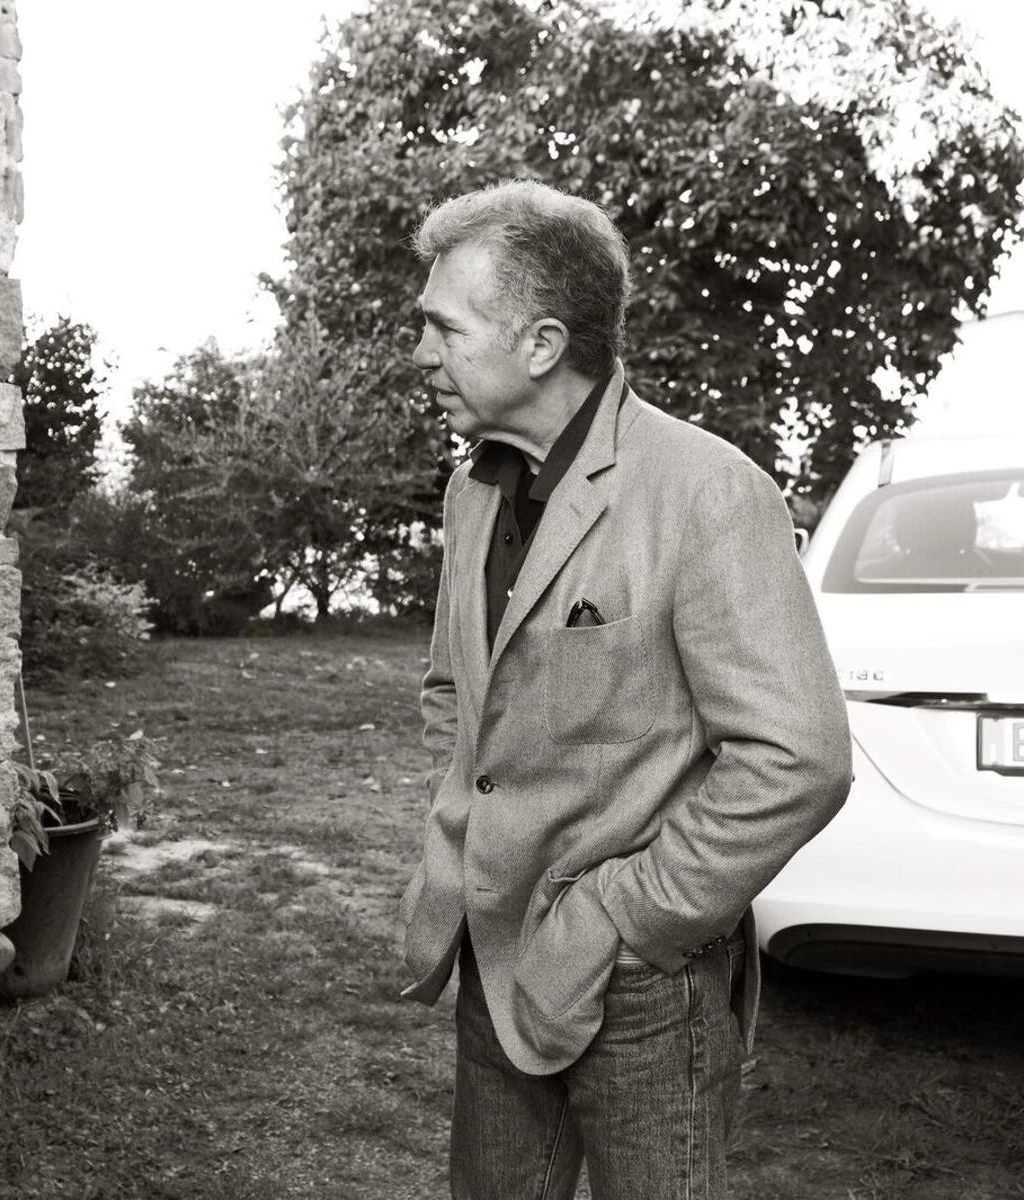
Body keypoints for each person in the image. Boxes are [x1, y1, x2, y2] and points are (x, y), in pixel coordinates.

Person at [397, 180, 852, 1198]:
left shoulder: (707, 489)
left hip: (643, 986)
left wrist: (624, 915)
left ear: (542, 345)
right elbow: (451, 689)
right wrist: (468, 824)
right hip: (490, 951)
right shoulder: (473, 489)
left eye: (445, 328)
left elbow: (799, 759)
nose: (421, 353)